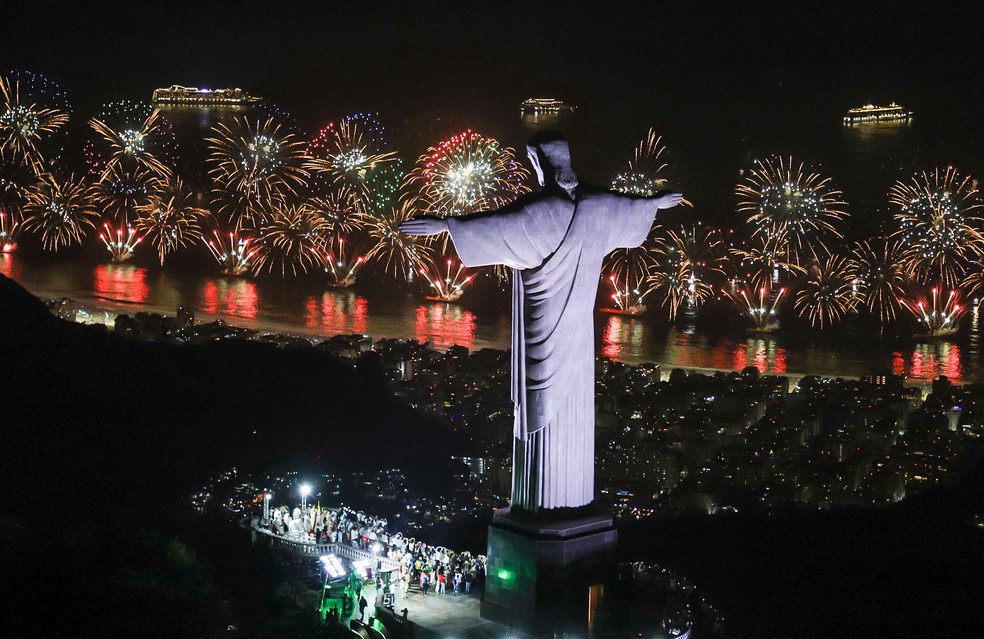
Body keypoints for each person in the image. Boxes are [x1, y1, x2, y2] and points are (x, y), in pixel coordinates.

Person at [401, 131, 683, 512]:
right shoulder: (598, 206)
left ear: (537, 165)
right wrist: (655, 203)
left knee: (539, 409)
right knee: (570, 410)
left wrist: (448, 225)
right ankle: (567, 502)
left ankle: (540, 506)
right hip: (581, 338)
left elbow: (492, 227)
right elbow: (630, 209)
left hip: (541, 329)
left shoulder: (540, 213)